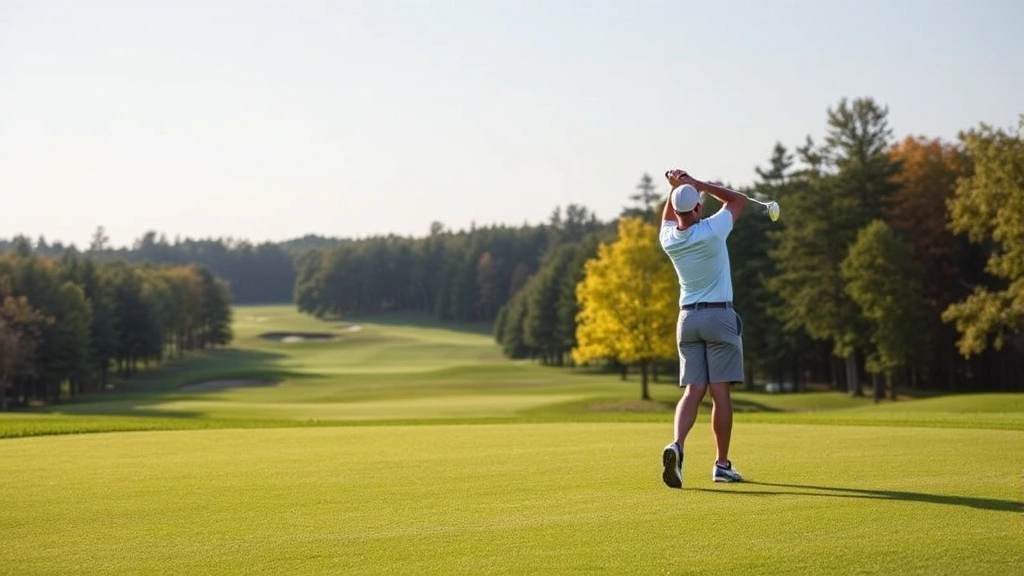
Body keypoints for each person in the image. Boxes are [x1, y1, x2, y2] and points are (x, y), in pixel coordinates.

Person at [658, 169, 748, 488]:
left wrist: (678, 189)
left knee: (693, 390)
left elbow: (670, 214)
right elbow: (737, 200)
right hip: (718, 317)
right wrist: (695, 183)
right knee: (719, 392)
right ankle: (721, 465)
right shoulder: (713, 229)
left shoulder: (668, 239)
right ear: (698, 208)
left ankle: (677, 445)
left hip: (687, 320)